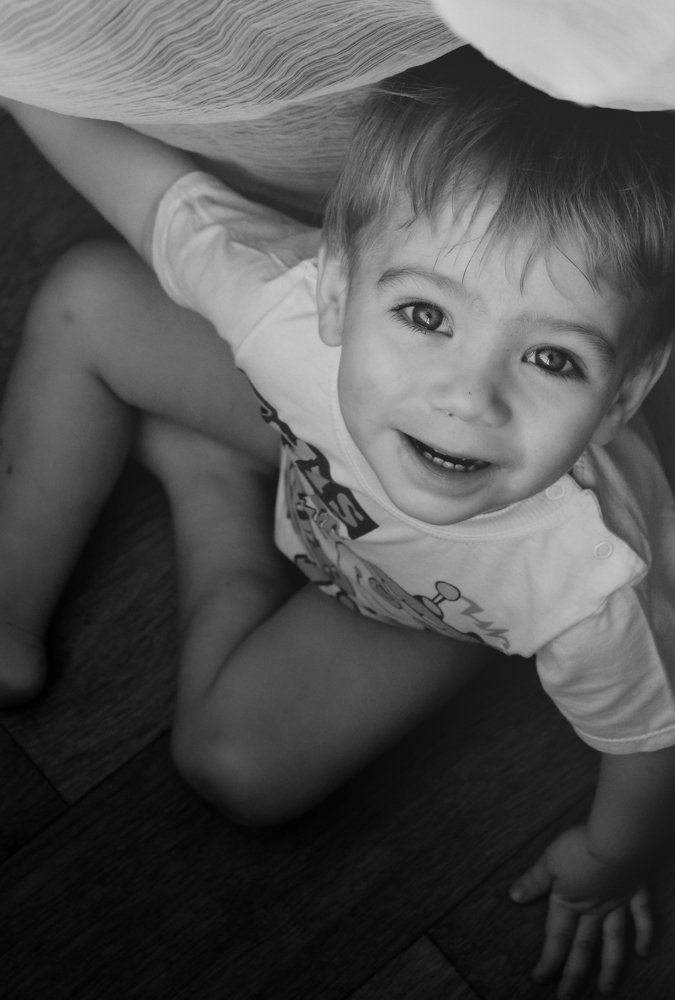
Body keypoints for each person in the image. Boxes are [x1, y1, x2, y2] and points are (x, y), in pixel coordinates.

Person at [2, 47, 675, 999]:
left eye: (553, 360)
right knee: (90, 298)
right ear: (335, 289)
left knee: (236, 766)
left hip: (432, 606)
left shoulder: (590, 584)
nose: (467, 398)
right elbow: (154, 197)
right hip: (313, 433)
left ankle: (210, 499)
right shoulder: (287, 308)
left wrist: (609, 856)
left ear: (622, 399)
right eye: (425, 316)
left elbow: (649, 737)